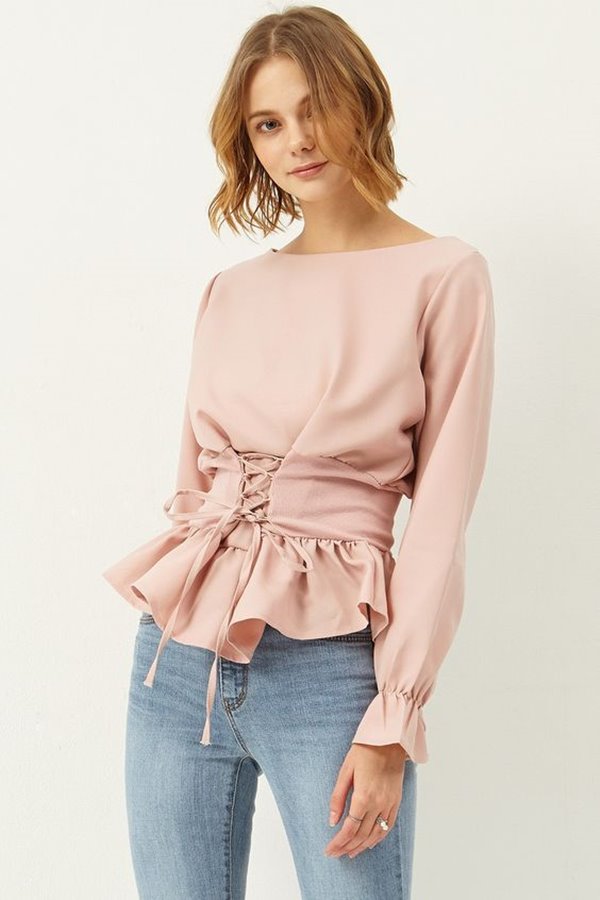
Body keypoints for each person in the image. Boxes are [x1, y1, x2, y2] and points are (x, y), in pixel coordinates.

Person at [102, 5, 495, 898]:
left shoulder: (444, 275)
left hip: (330, 671)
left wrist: (393, 719)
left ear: (364, 102)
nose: (297, 142)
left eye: (315, 109)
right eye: (268, 124)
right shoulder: (231, 290)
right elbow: (192, 489)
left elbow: (440, 518)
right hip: (178, 660)